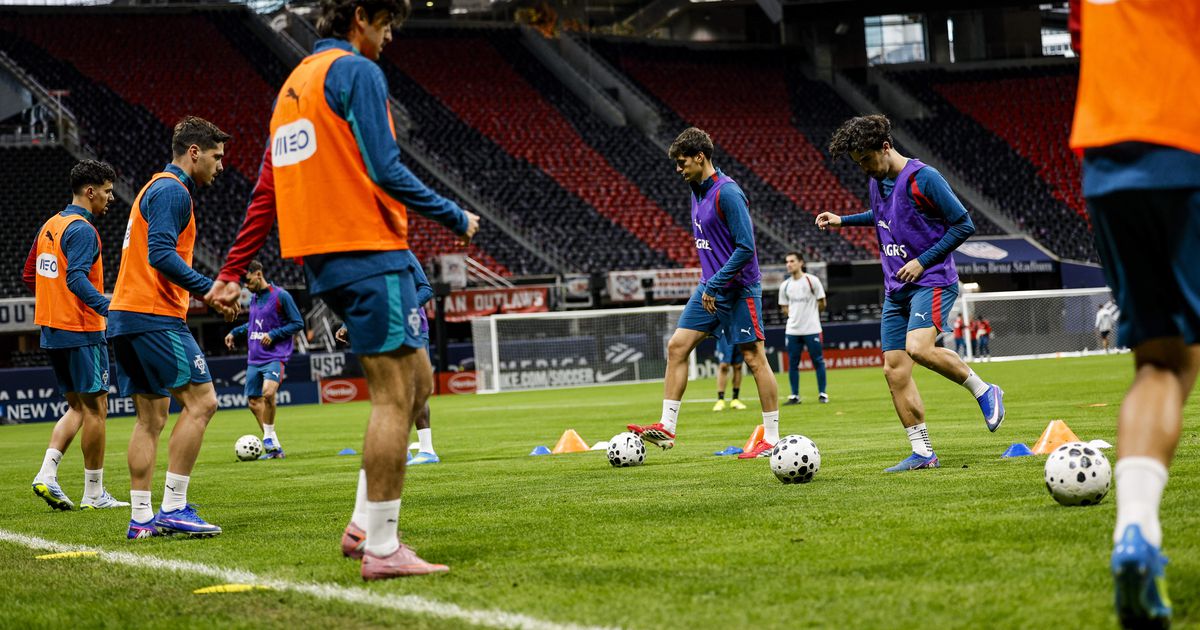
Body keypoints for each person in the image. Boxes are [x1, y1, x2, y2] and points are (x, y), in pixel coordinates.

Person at [204, 0, 479, 579]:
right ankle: (381, 547)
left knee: (421, 380)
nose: (388, 38)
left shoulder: (293, 86)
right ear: (361, 16)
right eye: (386, 25)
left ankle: (364, 520)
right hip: (366, 250)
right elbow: (384, 168)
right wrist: (453, 214)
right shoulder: (357, 71)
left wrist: (233, 270)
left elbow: (265, 191)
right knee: (394, 395)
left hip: (329, 257)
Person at [1069, 1, 1200, 625]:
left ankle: (1136, 530)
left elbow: (1081, 38)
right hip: (1189, 136)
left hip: (1110, 158)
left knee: (1161, 362)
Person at [818, 114, 1005, 473]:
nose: (865, 169)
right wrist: (844, 220)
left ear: (885, 148)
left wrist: (922, 261)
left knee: (918, 348)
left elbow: (964, 223)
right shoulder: (878, 179)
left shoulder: (924, 178)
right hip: (896, 289)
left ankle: (985, 390)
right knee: (894, 371)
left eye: (867, 160)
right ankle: (923, 453)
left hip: (932, 280)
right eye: (858, 164)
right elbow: (884, 214)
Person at [110, 116, 235, 539]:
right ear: (194, 153)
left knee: (151, 418)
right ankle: (175, 507)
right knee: (203, 403)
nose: (220, 166)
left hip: (125, 317)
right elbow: (161, 254)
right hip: (154, 316)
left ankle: (142, 518)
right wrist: (211, 292)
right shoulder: (172, 190)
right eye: (216, 157)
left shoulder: (152, 187)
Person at [626, 127, 781, 460]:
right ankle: (667, 427)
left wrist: (716, 282)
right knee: (677, 346)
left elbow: (746, 248)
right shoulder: (696, 190)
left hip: (738, 289)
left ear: (701, 157)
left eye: (683, 163)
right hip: (708, 288)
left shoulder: (729, 193)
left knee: (754, 358)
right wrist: (709, 283)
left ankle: (771, 437)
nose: (679, 170)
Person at [22, 159, 128, 511]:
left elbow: (30, 275)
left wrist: (55, 299)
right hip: (81, 330)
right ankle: (94, 494)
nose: (111, 198)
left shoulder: (51, 225)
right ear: (90, 191)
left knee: (78, 408)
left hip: (52, 331)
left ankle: (47, 474)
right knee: (97, 410)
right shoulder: (83, 229)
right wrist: (106, 307)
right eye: (108, 192)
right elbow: (76, 278)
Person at [336, 253, 440, 465]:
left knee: (414, 389)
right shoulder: (364, 261)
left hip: (412, 329)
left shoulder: (402, 254)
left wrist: (403, 310)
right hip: (384, 332)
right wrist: (348, 324)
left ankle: (427, 450)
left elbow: (426, 289)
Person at [224, 260, 304, 459]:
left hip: (274, 356)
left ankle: (268, 436)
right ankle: (274, 448)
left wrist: (275, 334)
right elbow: (254, 326)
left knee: (268, 393)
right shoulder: (254, 298)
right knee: (253, 402)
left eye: (249, 281)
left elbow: (298, 323)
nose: (247, 286)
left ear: (258, 274)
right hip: (254, 358)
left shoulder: (281, 296)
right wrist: (235, 332)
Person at [779, 251, 827, 405]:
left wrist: (812, 315)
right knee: (793, 363)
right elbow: (784, 306)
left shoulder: (812, 281)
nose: (789, 264)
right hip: (793, 330)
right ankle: (794, 395)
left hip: (812, 328)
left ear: (801, 263)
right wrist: (793, 315)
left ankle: (822, 393)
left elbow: (822, 302)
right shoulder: (785, 285)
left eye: (792, 261)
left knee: (818, 361)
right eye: (787, 261)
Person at [712, 333, 746, 411]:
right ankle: (720, 400)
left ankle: (735, 399)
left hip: (739, 331)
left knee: (738, 366)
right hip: (725, 332)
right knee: (724, 365)